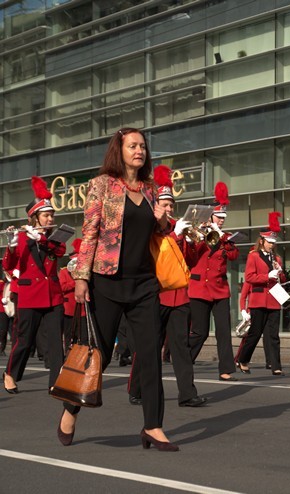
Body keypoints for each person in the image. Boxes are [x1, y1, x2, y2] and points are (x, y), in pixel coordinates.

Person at [67, 127, 178, 451]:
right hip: (107, 281)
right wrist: (81, 278)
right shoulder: (102, 185)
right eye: (133, 145)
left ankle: (153, 426)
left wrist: (162, 221)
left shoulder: (151, 189)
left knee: (150, 356)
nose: (139, 151)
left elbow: (162, 232)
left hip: (144, 283)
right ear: (120, 149)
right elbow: (89, 233)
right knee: (95, 355)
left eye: (142, 146)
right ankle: (71, 409)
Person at [128, 165, 208, 408]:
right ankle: (137, 387)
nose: (169, 209)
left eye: (171, 205)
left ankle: (187, 394)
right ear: (155, 205)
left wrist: (197, 242)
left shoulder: (177, 227)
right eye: (164, 204)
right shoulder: (148, 226)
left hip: (179, 295)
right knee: (149, 344)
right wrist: (174, 237)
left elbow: (189, 263)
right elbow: (154, 255)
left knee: (180, 347)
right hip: (156, 293)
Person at [3, 176, 66, 395]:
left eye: (51, 215)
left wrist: (40, 239)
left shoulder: (55, 236)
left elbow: (59, 251)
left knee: (56, 341)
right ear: (34, 217)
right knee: (24, 339)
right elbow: (9, 265)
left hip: (53, 295)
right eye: (46, 215)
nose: (50, 218)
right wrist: (10, 247)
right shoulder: (21, 237)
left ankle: (55, 381)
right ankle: (11, 373)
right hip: (30, 295)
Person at [188, 182, 239, 382]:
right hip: (200, 288)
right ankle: (184, 359)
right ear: (210, 216)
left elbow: (234, 255)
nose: (222, 221)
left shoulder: (226, 237)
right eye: (219, 217)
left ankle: (226, 369)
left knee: (224, 332)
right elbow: (191, 251)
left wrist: (223, 239)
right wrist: (204, 233)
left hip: (219, 290)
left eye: (224, 218)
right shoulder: (197, 233)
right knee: (199, 332)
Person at [235, 212, 287, 376]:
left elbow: (282, 279)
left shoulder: (277, 258)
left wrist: (280, 272)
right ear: (262, 241)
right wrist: (267, 276)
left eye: (273, 242)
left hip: (273, 299)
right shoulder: (254, 256)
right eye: (269, 242)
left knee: (273, 335)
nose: (271, 245)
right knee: (255, 333)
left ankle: (276, 365)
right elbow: (249, 277)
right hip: (258, 300)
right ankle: (243, 359)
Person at [59, 239, 86, 350]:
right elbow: (62, 287)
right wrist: (76, 282)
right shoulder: (64, 272)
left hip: (83, 308)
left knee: (83, 335)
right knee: (70, 335)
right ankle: (69, 356)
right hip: (69, 309)